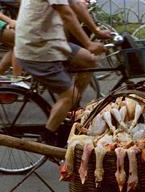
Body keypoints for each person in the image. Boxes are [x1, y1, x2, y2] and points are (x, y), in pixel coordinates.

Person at [14, 0, 107, 146]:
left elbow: (76, 5)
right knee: (70, 95)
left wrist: (97, 31)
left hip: (52, 42)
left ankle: (70, 110)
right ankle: (47, 139)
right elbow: (67, 13)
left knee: (89, 60)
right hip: (37, 48)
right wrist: (89, 44)